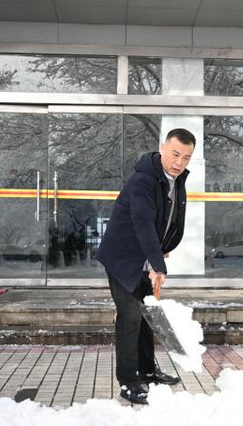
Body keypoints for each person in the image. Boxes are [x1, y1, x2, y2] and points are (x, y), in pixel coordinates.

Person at [96, 128, 196, 404]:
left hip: (145, 258)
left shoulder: (175, 179)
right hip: (123, 258)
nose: (179, 162)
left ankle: (148, 371)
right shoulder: (143, 180)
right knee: (130, 317)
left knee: (148, 315)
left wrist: (162, 249)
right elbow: (143, 224)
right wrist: (157, 263)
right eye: (175, 154)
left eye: (186, 157)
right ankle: (129, 381)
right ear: (162, 147)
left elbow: (169, 219)